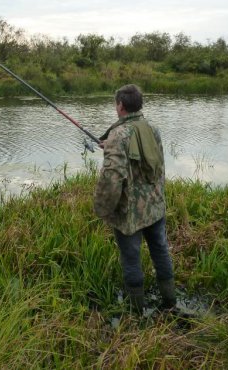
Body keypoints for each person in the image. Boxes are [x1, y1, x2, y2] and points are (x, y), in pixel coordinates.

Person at [94, 84, 176, 314]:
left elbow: (111, 178)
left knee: (131, 259)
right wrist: (109, 146)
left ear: (120, 105)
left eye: (116, 104)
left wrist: (101, 209)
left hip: (130, 213)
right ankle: (170, 303)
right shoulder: (152, 128)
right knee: (161, 250)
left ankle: (136, 312)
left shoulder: (118, 135)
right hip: (155, 206)